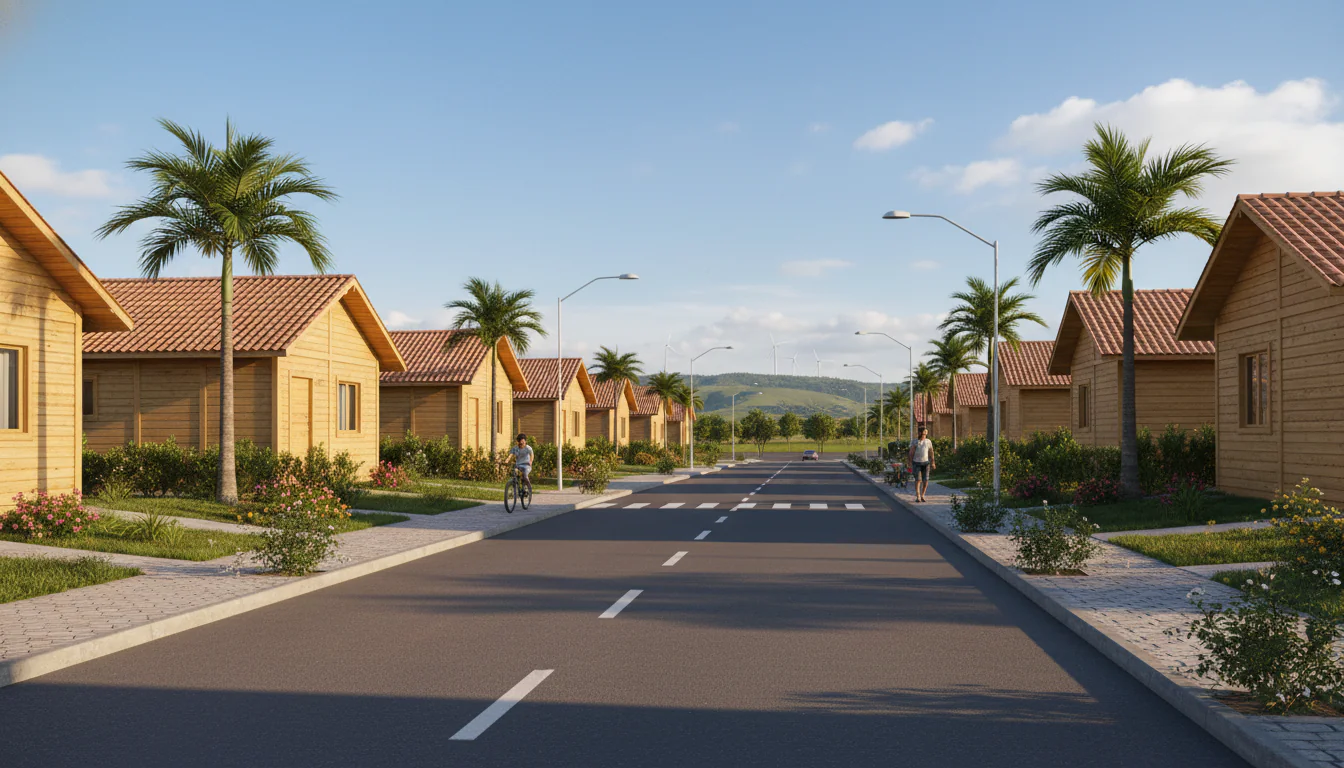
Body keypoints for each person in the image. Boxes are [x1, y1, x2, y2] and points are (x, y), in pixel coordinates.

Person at [908, 426, 935, 502]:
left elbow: (931, 452)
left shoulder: (928, 441)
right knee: (918, 480)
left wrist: (933, 462)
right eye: (924, 433)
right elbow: (911, 453)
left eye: (926, 433)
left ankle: (923, 495)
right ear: (920, 433)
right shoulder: (915, 441)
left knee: (926, 480)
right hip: (916, 463)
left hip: (926, 463)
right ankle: (918, 496)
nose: (925, 435)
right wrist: (909, 462)